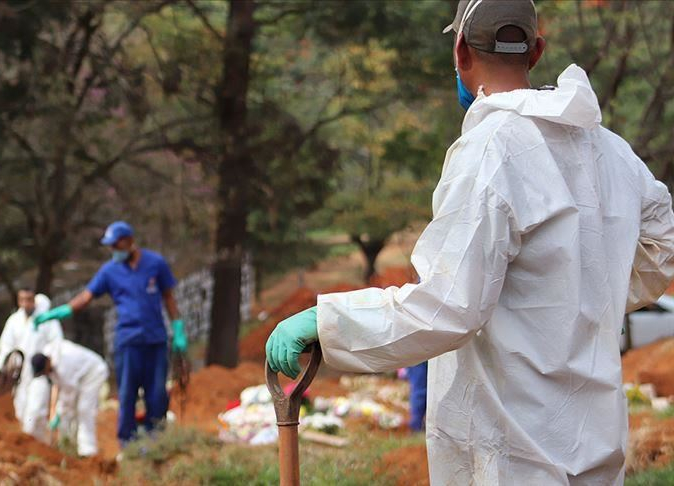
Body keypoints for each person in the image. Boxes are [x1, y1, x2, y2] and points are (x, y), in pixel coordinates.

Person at [266, 1, 674, 484]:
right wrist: (573, 297)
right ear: (536, 51)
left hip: (514, 462)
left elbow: (447, 307)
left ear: (460, 50)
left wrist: (330, 322)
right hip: (596, 454)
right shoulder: (610, 150)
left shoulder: (491, 148)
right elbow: (662, 250)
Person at [34, 221, 188, 446]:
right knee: (127, 394)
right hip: (127, 341)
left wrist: (178, 329)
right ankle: (127, 442)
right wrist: (62, 311)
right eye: (111, 247)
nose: (113, 251)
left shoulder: (156, 263)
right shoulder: (109, 271)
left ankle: (157, 438)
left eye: (116, 245)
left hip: (155, 340)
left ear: (129, 241)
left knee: (157, 394)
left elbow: (169, 297)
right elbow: (86, 297)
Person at [0, 289, 63, 443]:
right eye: (22, 300)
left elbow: (56, 343)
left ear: (34, 300)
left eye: (29, 299)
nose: (26, 303)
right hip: (19, 376)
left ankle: (36, 445)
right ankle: (36, 446)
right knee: (22, 412)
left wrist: (48, 364)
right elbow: (6, 347)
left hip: (39, 374)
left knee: (36, 410)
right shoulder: (14, 321)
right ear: (18, 301)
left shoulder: (46, 319)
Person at [31, 339, 109, 457]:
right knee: (71, 411)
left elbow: (67, 399)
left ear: (47, 363)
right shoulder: (49, 354)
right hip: (79, 376)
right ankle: (70, 444)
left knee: (83, 409)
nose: (45, 375)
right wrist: (54, 410)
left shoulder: (64, 366)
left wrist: (58, 414)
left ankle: (87, 450)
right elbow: (57, 386)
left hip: (94, 373)